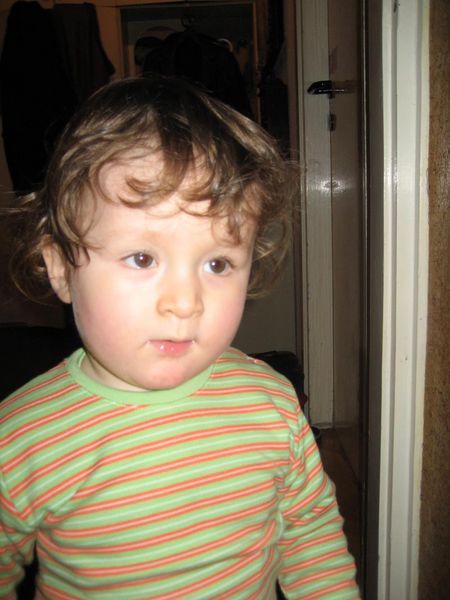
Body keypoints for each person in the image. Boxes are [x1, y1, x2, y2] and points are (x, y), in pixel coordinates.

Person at [0, 76, 359, 599]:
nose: (186, 302)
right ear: (60, 269)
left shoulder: (271, 404)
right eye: (142, 258)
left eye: (218, 263)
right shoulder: (22, 439)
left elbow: (310, 534)